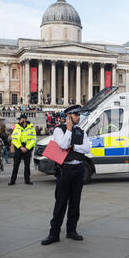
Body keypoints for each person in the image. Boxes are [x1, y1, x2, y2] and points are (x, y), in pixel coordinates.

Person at [42, 105, 91, 245]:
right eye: (76, 115)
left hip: (78, 169)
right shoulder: (59, 130)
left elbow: (87, 148)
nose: (79, 117)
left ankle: (72, 231)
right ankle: (54, 233)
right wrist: (69, 130)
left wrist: (74, 147)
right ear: (69, 117)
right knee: (61, 203)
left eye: (79, 115)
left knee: (75, 202)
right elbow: (63, 145)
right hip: (65, 170)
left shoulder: (81, 131)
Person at [8, 114, 37, 186]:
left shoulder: (31, 127)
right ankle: (12, 180)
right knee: (16, 165)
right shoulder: (17, 127)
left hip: (28, 148)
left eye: (20, 119)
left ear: (24, 119)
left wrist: (27, 148)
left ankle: (27, 180)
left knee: (27, 165)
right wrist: (20, 147)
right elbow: (14, 139)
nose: (19, 121)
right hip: (19, 148)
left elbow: (33, 139)